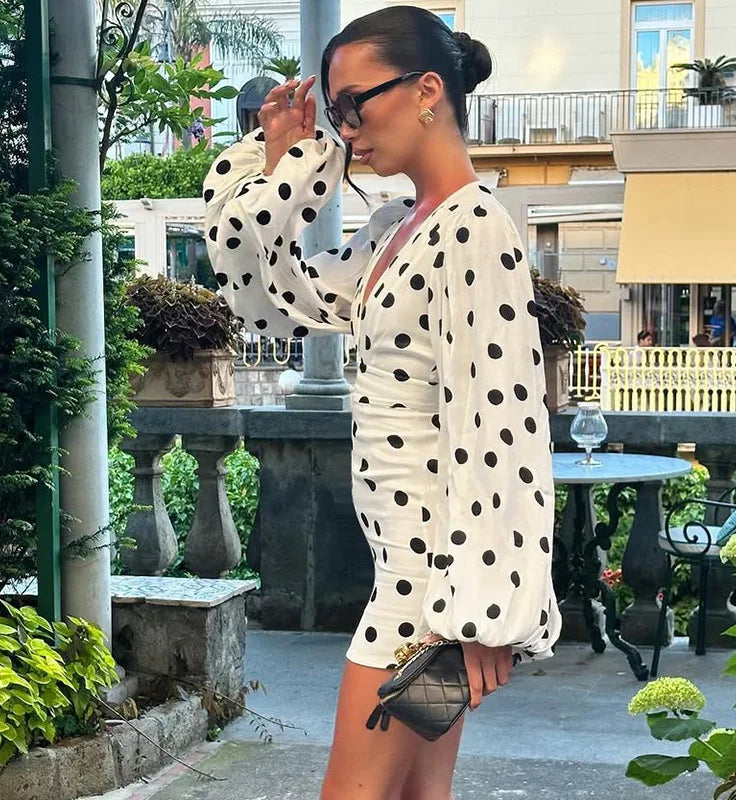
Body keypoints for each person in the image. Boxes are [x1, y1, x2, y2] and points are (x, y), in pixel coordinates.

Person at [202, 7, 560, 799]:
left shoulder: (474, 228)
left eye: (356, 104)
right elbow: (267, 295)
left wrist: (482, 612)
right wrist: (285, 159)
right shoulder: (401, 227)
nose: (347, 129)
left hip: (428, 592)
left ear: (428, 89)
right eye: (335, 112)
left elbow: (500, 423)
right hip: (410, 576)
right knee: (416, 796)